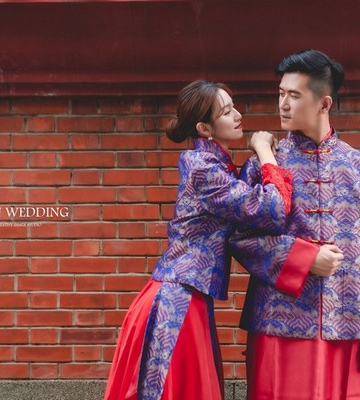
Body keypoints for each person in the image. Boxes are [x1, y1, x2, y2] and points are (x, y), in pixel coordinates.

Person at [104, 80, 294, 400]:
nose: (238, 115)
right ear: (205, 128)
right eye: (226, 111)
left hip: (187, 295)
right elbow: (272, 210)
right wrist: (263, 152)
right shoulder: (203, 168)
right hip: (177, 301)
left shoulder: (216, 166)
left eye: (233, 106)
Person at [230, 49, 360, 400]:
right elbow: (238, 237)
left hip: (345, 318)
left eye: (294, 95)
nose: (283, 104)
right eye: (280, 93)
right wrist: (305, 258)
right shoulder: (263, 164)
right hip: (277, 319)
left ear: (324, 103)